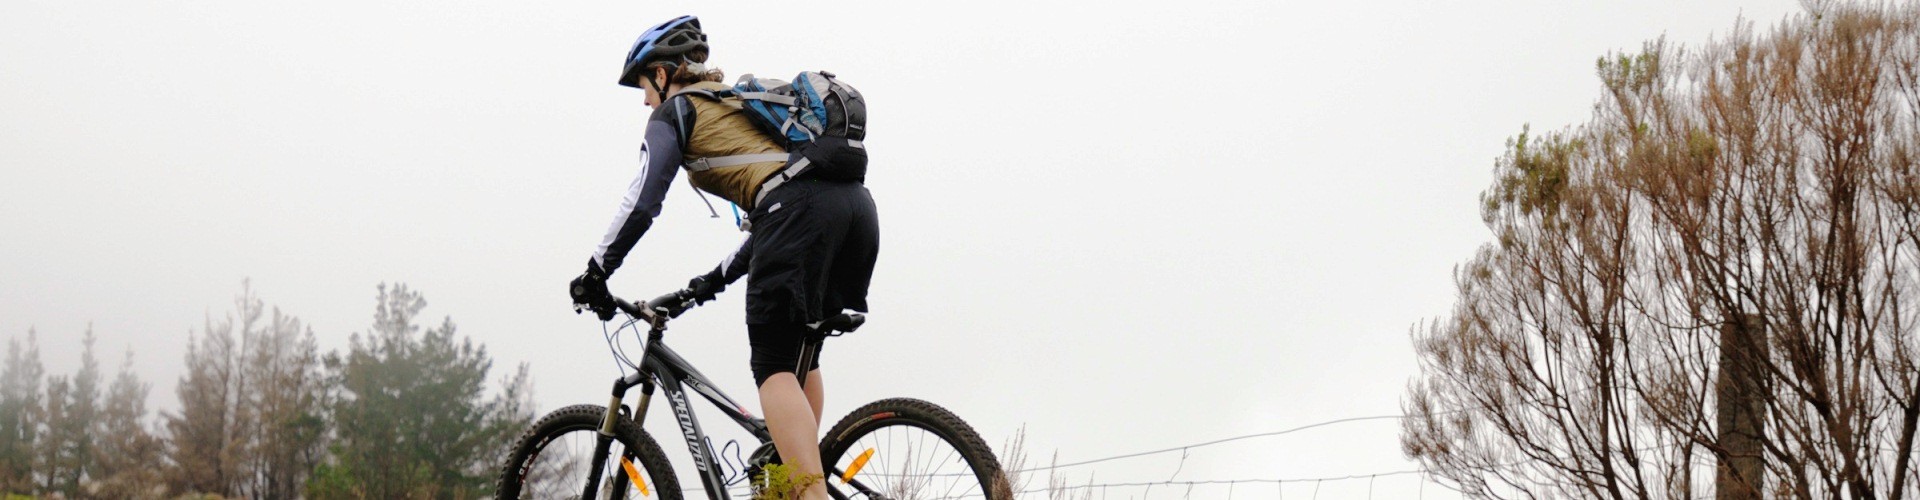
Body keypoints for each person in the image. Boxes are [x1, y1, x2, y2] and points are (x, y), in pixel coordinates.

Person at [569, 15, 878, 500]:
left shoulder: (676, 111)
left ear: (664, 72)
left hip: (800, 213)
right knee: (802, 355)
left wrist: (597, 270)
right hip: (854, 209)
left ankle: (809, 494)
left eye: (644, 86)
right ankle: (790, 486)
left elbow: (645, 198)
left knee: (773, 365)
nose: (645, 99)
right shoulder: (733, 105)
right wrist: (707, 284)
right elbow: (778, 207)